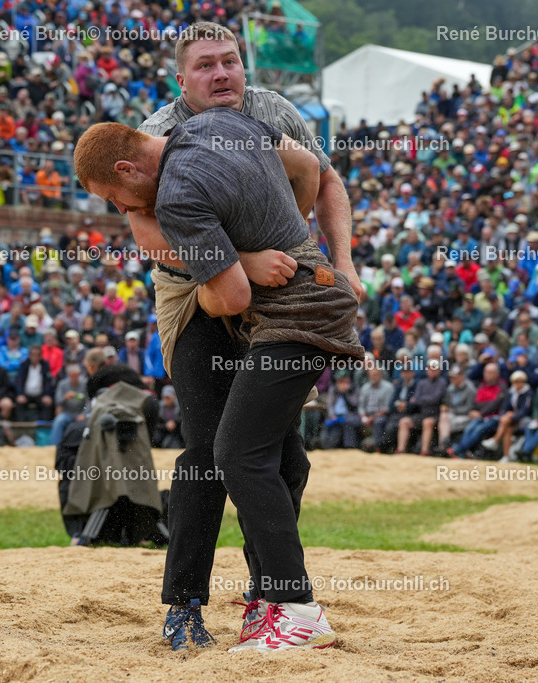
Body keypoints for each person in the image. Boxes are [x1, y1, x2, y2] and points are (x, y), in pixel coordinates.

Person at [74, 104, 362, 652]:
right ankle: (187, 604)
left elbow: (311, 173)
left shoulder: (229, 135)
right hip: (210, 300)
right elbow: (153, 241)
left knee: (272, 456)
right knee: (212, 452)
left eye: (229, 60)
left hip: (272, 306)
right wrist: (249, 256)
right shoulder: (179, 131)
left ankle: (276, 601)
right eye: (206, 64)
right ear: (183, 80)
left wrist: (261, 254)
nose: (221, 73)